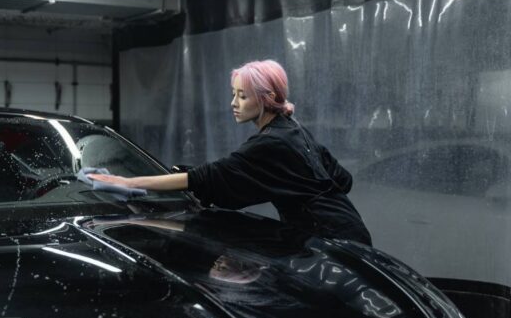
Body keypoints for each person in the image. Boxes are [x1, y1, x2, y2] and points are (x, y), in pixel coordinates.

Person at [88, 59, 372, 246]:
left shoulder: (270, 143)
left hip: (329, 240)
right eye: (234, 93)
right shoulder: (293, 130)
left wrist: (127, 183)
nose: (233, 103)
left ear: (266, 99)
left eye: (243, 96)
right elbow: (343, 179)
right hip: (350, 229)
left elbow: (206, 177)